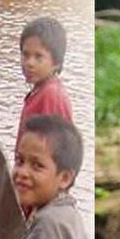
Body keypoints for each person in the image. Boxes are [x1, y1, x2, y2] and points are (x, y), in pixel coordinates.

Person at [15, 16, 73, 152]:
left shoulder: (51, 95)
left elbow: (53, 150)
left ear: (56, 62)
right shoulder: (39, 90)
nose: (29, 63)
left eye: (38, 57)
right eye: (25, 55)